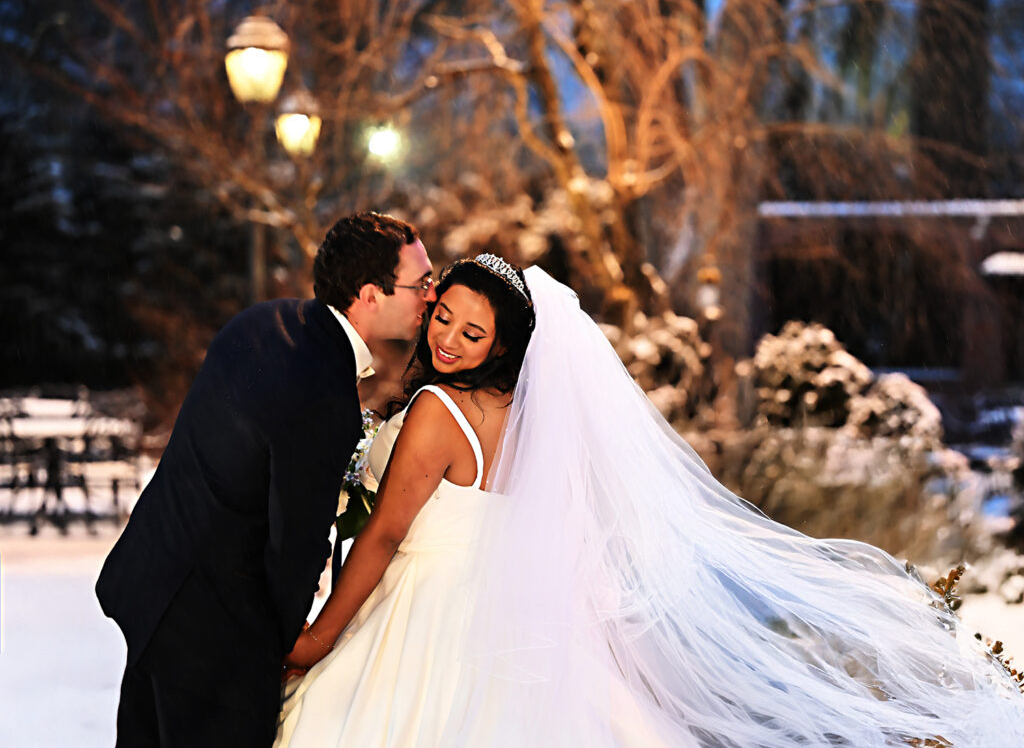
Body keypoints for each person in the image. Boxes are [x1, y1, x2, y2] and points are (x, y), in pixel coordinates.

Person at [277, 256, 1024, 747]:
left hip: (425, 616)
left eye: (473, 332)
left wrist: (315, 638)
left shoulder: (439, 408)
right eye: (443, 317)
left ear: (503, 343)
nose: (447, 338)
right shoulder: (527, 417)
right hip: (510, 619)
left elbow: (380, 538)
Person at [96, 212, 435, 747]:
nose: (431, 297)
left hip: (155, 594)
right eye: (422, 284)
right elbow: (294, 541)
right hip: (216, 644)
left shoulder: (266, 322)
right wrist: (291, 643)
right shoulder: (324, 391)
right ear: (371, 294)